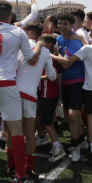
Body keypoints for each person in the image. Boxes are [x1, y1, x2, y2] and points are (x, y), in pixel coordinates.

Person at [0, 0, 43, 183]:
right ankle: (20, 175)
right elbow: (30, 59)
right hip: (5, 83)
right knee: (16, 129)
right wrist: (39, 46)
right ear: (11, 15)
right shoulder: (18, 31)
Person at [52, 23, 92, 165]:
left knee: (91, 119)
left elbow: (68, 61)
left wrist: (53, 54)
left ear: (90, 35)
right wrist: (81, 40)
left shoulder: (86, 49)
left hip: (91, 87)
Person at [11, 23, 57, 176]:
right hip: (30, 94)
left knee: (11, 131)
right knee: (30, 131)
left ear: (29, 32)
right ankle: (28, 167)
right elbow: (52, 76)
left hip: (12, 92)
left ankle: (11, 165)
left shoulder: (17, 46)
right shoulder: (44, 52)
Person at [54, 11, 86, 162]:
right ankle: (80, 139)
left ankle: (75, 147)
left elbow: (66, 64)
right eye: (59, 23)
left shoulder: (74, 40)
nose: (61, 26)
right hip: (65, 82)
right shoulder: (59, 38)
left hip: (76, 81)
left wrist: (53, 54)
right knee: (72, 115)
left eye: (65, 23)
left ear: (72, 25)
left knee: (73, 115)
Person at [38, 34, 66, 162]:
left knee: (46, 121)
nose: (39, 41)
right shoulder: (48, 54)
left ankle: (57, 147)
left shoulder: (47, 55)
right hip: (49, 91)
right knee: (47, 119)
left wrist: (36, 77)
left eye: (42, 40)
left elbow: (52, 74)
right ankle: (55, 142)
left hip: (47, 91)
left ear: (49, 44)